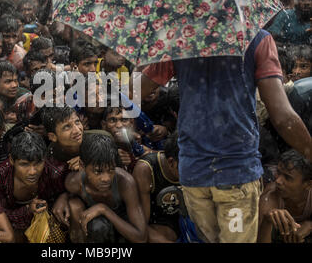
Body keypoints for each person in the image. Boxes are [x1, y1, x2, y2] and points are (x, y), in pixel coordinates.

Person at [138, 29, 312, 243]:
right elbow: (283, 116)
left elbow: (135, 90)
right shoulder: (257, 39)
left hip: (194, 173)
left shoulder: (180, 37)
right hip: (236, 173)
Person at [64, 133, 147, 243]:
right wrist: (64, 199)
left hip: (124, 229)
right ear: (82, 166)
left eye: (111, 170)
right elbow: (67, 198)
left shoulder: (125, 183)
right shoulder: (74, 183)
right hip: (98, 232)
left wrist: (104, 209)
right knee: (81, 212)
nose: (106, 179)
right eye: (98, 171)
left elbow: (141, 237)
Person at [0, 131, 68, 242]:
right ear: (12, 160)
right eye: (24, 164)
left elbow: (72, 189)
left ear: (45, 159)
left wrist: (64, 196)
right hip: (14, 229)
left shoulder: (55, 172)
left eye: (38, 163)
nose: (32, 172)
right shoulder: (1, 175)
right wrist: (27, 210)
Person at [132, 132, 181, 243]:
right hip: (157, 222)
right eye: (189, 167)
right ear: (171, 162)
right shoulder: (146, 169)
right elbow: (141, 225)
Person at [258, 150, 312, 243]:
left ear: (308, 184)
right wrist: (267, 222)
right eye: (278, 172)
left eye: (287, 177)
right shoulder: (271, 196)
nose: (278, 181)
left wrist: (310, 224)